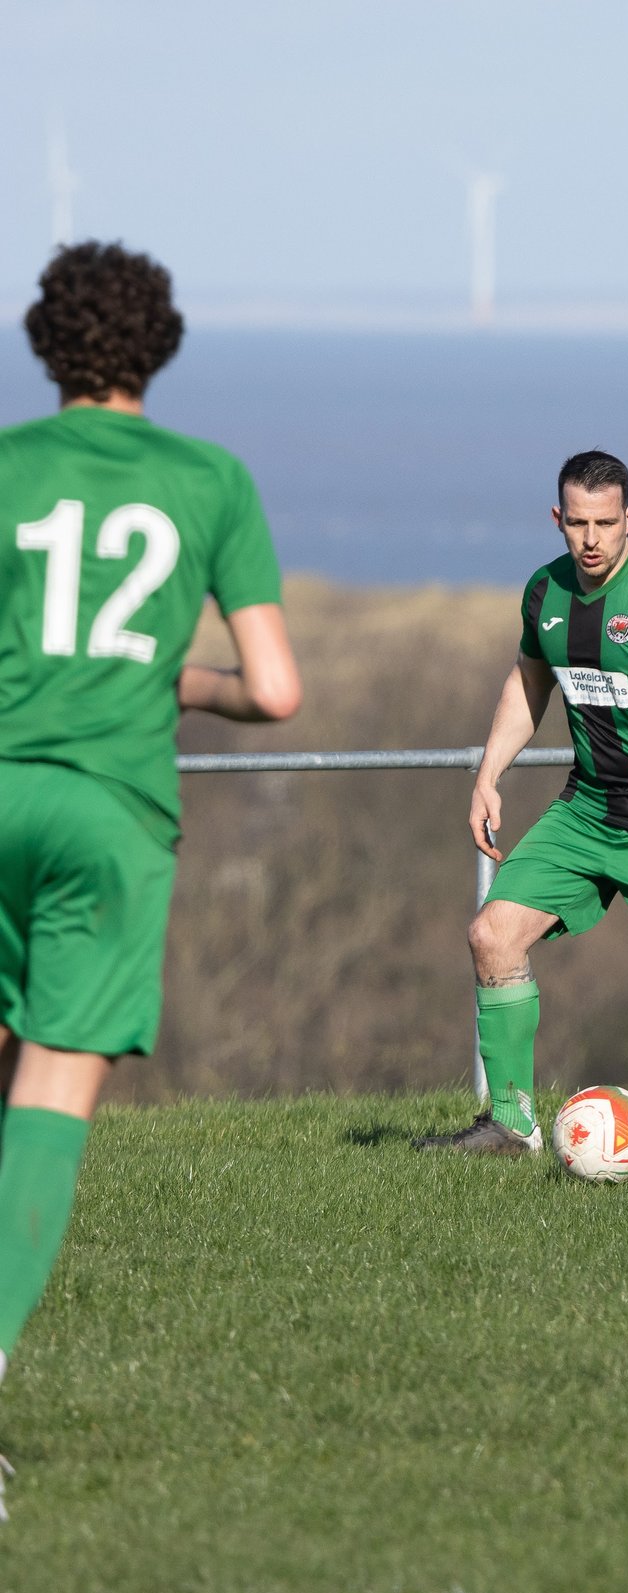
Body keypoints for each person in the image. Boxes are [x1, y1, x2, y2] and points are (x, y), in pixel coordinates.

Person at [0, 243, 302, 1496]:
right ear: (159, 348)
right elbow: (277, 691)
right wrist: (170, 680)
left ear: (43, 342)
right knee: (50, 1095)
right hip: (110, 812)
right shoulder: (209, 480)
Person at [413, 452, 628, 1159]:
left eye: (606, 523)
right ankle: (511, 1126)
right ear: (558, 518)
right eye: (576, 523)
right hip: (586, 810)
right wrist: (489, 773)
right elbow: (528, 683)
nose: (591, 539)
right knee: (492, 936)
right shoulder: (544, 593)